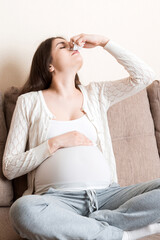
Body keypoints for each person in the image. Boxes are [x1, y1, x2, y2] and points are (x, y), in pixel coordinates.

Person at [2, 33, 160, 240]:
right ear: (49, 65)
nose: (73, 46)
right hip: (58, 201)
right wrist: (54, 143)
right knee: (22, 210)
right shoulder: (28, 102)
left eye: (71, 44)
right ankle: (121, 236)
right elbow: (10, 167)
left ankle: (94, 227)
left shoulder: (96, 94)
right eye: (63, 46)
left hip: (108, 197)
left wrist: (104, 42)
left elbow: (145, 77)